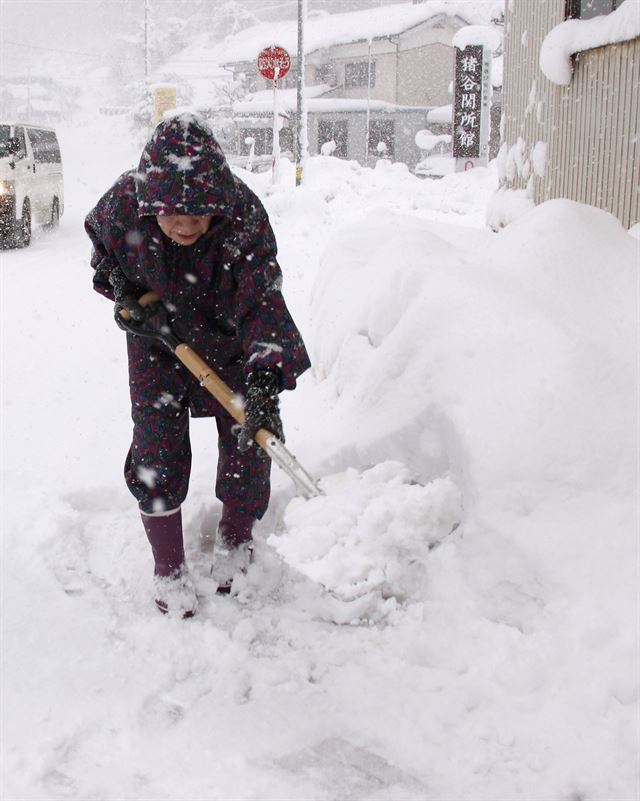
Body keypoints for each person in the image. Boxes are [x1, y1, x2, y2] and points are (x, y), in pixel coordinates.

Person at [85, 113, 310, 617]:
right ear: (150, 204)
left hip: (230, 344)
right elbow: (103, 250)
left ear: (218, 203)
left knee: (246, 439)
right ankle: (168, 567)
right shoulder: (125, 204)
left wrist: (265, 377)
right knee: (156, 447)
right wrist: (124, 292)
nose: (185, 226)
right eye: (172, 216)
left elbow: (262, 299)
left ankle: (236, 542)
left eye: (197, 215)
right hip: (157, 340)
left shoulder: (242, 215)